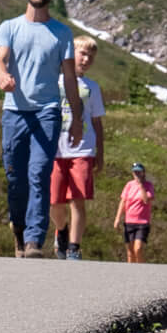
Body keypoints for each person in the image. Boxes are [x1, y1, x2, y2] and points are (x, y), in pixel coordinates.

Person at [0, 0, 84, 258]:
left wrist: (77, 118)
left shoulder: (62, 33)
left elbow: (69, 78)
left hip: (47, 112)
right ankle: (19, 230)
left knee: (39, 173)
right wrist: (3, 77)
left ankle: (34, 240)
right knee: (16, 178)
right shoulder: (9, 27)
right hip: (14, 112)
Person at [49, 38, 107, 259]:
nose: (86, 59)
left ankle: (74, 247)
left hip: (83, 149)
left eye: (90, 57)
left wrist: (100, 153)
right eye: (82, 54)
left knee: (77, 199)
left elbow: (97, 121)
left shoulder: (92, 87)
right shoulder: (55, 81)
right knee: (55, 201)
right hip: (56, 150)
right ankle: (61, 230)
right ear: (71, 54)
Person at [113, 163, 155, 263]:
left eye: (139, 172)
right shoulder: (129, 185)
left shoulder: (148, 185)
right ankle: (131, 273)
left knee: (138, 249)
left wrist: (141, 185)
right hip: (129, 222)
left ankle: (141, 269)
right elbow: (123, 201)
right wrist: (117, 218)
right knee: (130, 251)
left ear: (143, 173)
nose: (137, 174)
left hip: (142, 222)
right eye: (135, 172)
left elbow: (146, 200)